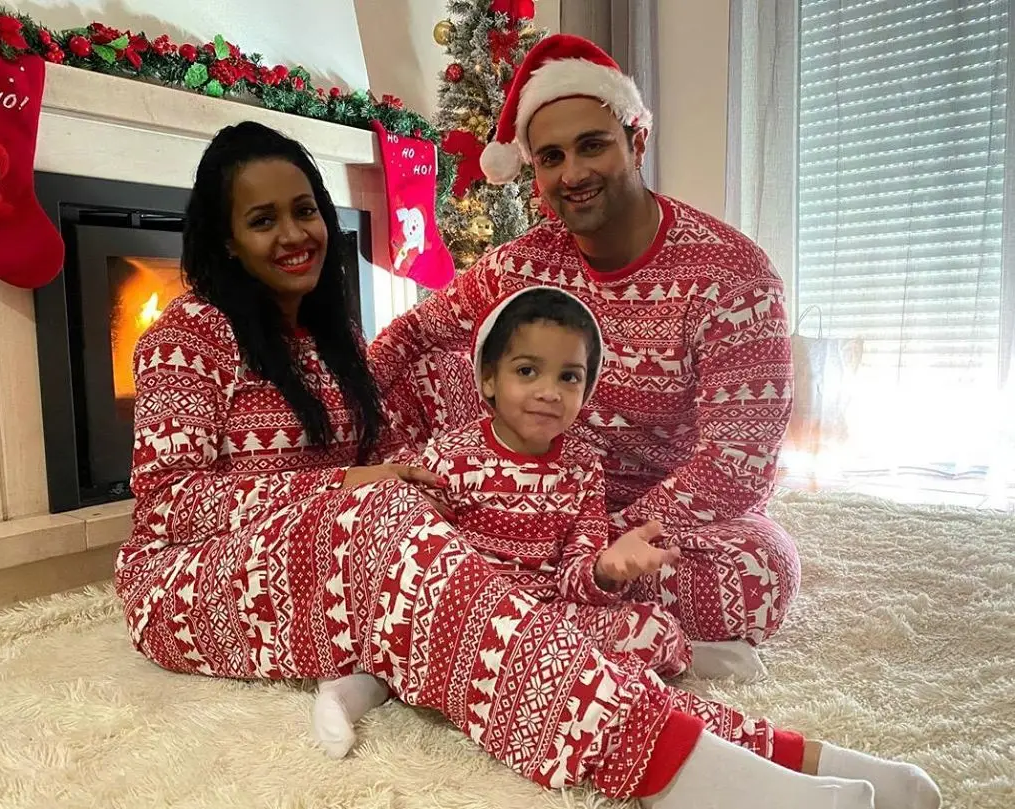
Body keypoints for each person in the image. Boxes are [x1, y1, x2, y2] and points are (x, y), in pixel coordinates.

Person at [115, 120, 939, 809]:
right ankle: (711, 776)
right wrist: (358, 485)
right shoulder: (188, 337)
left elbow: (410, 422)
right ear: (227, 240)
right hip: (189, 581)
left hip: (326, 553)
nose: (293, 234)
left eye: (305, 210)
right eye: (263, 220)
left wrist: (469, 474)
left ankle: (790, 754)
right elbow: (168, 506)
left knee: (468, 553)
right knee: (404, 532)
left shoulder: (334, 336)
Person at [370, 33, 799, 683]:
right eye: (551, 157)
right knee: (425, 374)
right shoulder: (519, 265)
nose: (572, 174)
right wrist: (339, 412)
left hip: (655, 513)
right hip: (523, 487)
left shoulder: (733, 275)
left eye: (592, 145)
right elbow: (413, 333)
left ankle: (491, 600)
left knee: (762, 571)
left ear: (637, 142)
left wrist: (598, 546)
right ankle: (577, 617)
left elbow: (737, 465)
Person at [313, 287, 690, 759]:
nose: (549, 392)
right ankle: (357, 689)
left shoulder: (583, 467)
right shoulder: (451, 456)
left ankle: (561, 678)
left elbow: (573, 576)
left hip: (545, 617)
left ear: (587, 388)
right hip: (460, 617)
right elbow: (411, 547)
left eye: (569, 377)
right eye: (527, 371)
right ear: (489, 379)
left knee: (654, 629)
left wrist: (605, 570)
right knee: (391, 639)